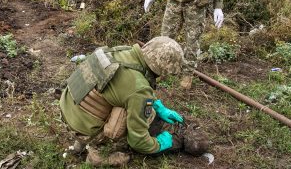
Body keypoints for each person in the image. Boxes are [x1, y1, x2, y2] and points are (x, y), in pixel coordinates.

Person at [59, 36, 208, 167]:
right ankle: (98, 155)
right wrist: (159, 144)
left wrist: (157, 105)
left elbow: (121, 88)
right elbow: (138, 140)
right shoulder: (139, 89)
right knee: (143, 116)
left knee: (135, 105)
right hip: (82, 126)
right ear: (161, 69)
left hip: (68, 107)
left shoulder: (121, 52)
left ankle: (80, 141)